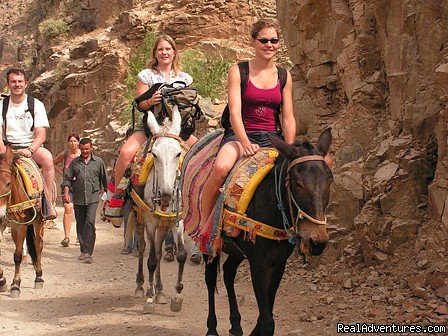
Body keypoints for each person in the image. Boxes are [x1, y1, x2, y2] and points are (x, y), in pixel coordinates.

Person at [199, 19, 298, 231]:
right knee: (221, 168)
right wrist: (244, 143)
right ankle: (205, 227)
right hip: (240, 135)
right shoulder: (238, 70)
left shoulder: (284, 75)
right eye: (263, 40)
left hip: (272, 136)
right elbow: (235, 112)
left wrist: (289, 148)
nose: (269, 45)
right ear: (253, 41)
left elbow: (288, 117)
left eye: (274, 40)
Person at [105, 34, 196, 221]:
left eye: (168, 49)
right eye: (160, 49)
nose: (164, 52)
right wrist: (151, 100)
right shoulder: (147, 75)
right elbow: (140, 103)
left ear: (174, 52)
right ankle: (117, 198)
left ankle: (197, 200)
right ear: (155, 53)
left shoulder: (184, 78)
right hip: (152, 125)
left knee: (201, 152)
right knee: (125, 153)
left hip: (177, 128)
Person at [0, 67, 57, 220]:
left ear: (26, 84)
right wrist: (4, 151)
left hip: (30, 146)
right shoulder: (1, 105)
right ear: (8, 84)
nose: (16, 84)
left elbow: (41, 134)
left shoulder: (35, 104)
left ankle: (47, 203)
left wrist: (30, 149)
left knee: (47, 159)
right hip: (7, 147)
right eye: (13, 82)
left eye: (20, 81)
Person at [62, 137, 107, 264]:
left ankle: (88, 252)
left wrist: (107, 196)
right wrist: (66, 193)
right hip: (78, 197)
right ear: (80, 149)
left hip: (93, 197)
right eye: (82, 149)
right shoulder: (75, 163)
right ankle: (83, 250)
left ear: (91, 148)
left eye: (87, 149)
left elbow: (105, 180)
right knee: (80, 224)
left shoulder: (98, 162)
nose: (85, 151)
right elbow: (67, 179)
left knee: (90, 222)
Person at [53, 133, 81, 247]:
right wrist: (63, 172)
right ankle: (67, 237)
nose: (73, 143)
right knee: (68, 209)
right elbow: (53, 162)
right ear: (68, 143)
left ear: (78, 142)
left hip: (80, 184)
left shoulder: (83, 153)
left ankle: (80, 236)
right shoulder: (65, 154)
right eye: (71, 141)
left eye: (75, 141)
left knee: (80, 210)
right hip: (67, 184)